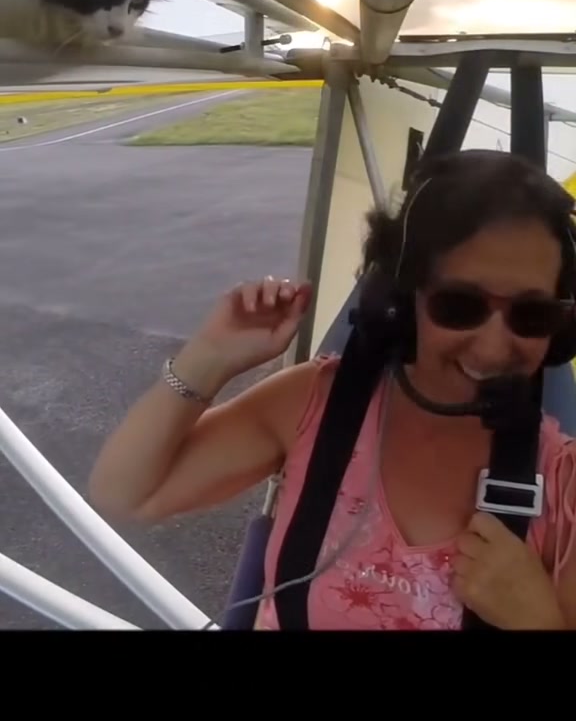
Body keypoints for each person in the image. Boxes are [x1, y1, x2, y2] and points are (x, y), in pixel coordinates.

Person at [89, 149, 576, 630]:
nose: (492, 348)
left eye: (532, 315)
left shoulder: (563, 483)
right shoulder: (315, 404)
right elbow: (126, 494)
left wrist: (539, 622)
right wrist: (208, 359)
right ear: (399, 302)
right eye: (459, 306)